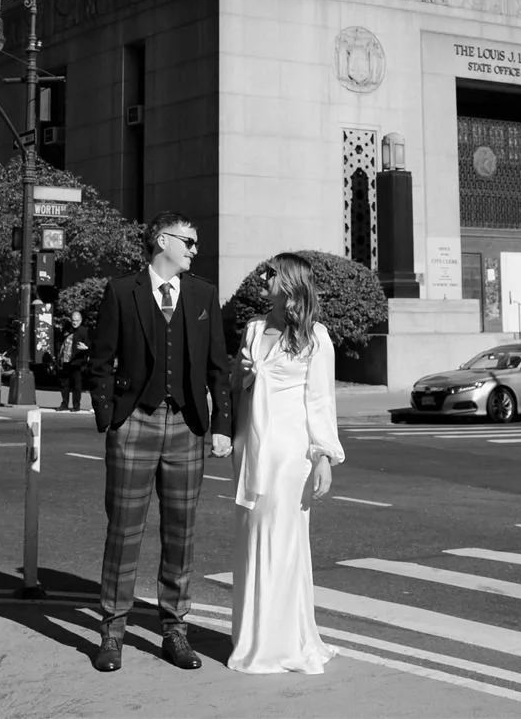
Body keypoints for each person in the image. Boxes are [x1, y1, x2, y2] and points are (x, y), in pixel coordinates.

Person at [88, 211, 233, 673]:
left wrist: (222, 424)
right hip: (135, 422)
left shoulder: (203, 294)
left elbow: (218, 366)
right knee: (124, 531)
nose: (195, 250)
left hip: (187, 425)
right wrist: (110, 418)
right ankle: (112, 632)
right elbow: (101, 361)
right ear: (162, 241)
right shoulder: (121, 291)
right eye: (189, 241)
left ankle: (175, 629)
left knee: (180, 532)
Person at [227, 252, 344, 674]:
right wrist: (240, 374)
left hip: (290, 452)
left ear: (290, 283)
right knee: (252, 537)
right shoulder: (254, 328)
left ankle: (280, 643)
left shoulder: (316, 337)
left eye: (271, 273)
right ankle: (253, 639)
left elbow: (320, 400)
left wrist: (323, 456)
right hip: (251, 447)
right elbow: (236, 385)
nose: (263, 278)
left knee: (282, 540)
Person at [58, 310, 88, 412]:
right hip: (66, 361)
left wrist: (86, 348)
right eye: (73, 320)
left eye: (77, 320)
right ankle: (64, 403)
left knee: (77, 385)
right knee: (64, 384)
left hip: (77, 362)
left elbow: (91, 346)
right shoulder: (67, 330)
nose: (75, 322)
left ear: (81, 320)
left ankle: (76, 405)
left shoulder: (84, 331)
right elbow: (62, 343)